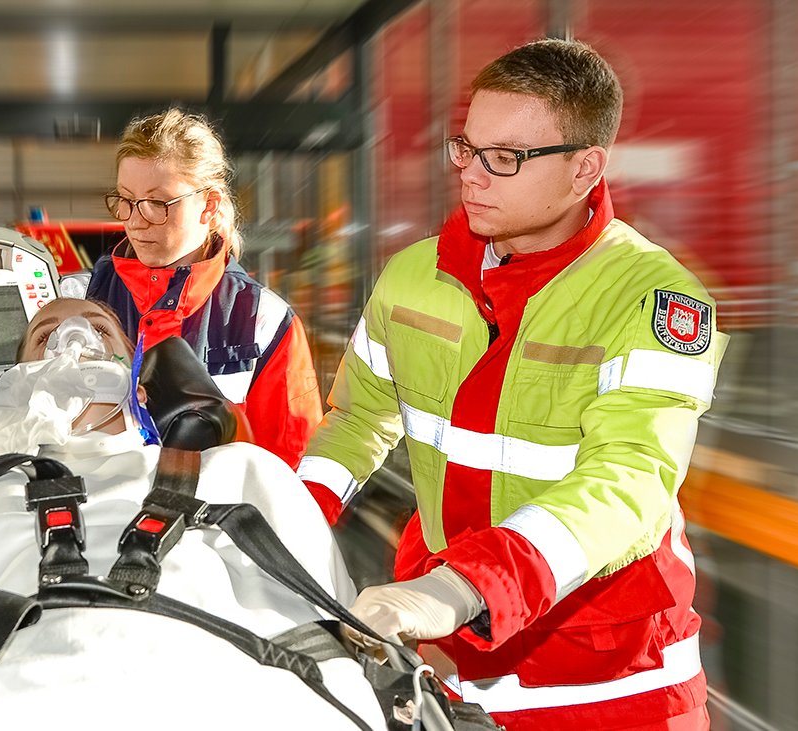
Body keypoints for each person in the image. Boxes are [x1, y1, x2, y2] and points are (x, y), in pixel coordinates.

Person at [297, 39, 728, 730]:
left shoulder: (655, 302)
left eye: (507, 158)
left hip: (610, 685)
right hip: (445, 660)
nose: (471, 176)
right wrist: (291, 518)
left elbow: (630, 482)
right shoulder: (411, 277)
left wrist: (459, 585)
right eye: (465, 148)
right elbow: (356, 421)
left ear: (586, 168)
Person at [0, 297, 384, 730]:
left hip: (222, 692)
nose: (72, 342)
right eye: (45, 334)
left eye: (100, 331)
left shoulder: (238, 471)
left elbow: (329, 620)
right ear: (9, 379)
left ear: (139, 378)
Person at [61, 108, 323, 469]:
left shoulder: (264, 321)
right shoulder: (76, 300)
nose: (135, 222)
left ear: (209, 205)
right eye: (126, 200)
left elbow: (292, 467)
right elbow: (6, 414)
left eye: (157, 203)